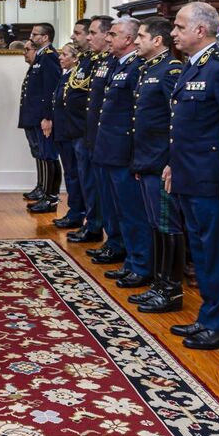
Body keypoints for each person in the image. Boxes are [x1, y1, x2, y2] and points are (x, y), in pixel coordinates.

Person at [165, 1, 219, 350]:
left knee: (217, 254)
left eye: (179, 27)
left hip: (210, 179)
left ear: (200, 30)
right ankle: (208, 317)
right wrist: (173, 163)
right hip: (188, 175)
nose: (173, 33)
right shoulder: (193, 66)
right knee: (201, 252)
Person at [127, 17, 186, 313]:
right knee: (156, 225)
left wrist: (170, 161)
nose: (136, 41)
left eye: (141, 36)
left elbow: (177, 119)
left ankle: (171, 290)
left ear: (157, 40)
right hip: (147, 160)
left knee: (167, 225)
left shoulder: (171, 70)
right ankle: (159, 284)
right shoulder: (148, 68)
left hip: (161, 162)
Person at [93, 17, 151, 288]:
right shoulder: (117, 64)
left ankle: (141, 264)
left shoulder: (137, 67)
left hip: (124, 152)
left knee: (133, 213)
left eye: (113, 34)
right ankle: (130, 260)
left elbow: (137, 115)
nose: (108, 38)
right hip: (109, 149)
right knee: (119, 211)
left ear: (128, 39)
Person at [79, 16, 125, 256]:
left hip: (112, 143)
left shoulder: (122, 64)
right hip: (96, 138)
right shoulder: (102, 62)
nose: (89, 37)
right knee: (102, 194)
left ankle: (118, 245)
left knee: (117, 201)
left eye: (93, 32)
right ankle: (111, 240)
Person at [60, 20, 99, 234]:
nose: (73, 37)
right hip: (73, 129)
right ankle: (82, 217)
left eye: (78, 33)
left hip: (85, 130)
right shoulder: (85, 61)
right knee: (78, 177)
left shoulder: (95, 62)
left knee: (89, 182)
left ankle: (92, 225)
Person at [19, 23, 60, 212]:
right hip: (34, 116)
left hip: (42, 117)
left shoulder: (49, 57)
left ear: (45, 37)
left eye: (35, 34)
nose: (31, 37)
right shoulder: (41, 57)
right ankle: (42, 189)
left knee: (48, 155)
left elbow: (50, 90)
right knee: (40, 154)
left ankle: (49, 196)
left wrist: (47, 116)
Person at [49, 42, 85, 228]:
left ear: (75, 58)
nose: (60, 57)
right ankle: (74, 211)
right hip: (62, 132)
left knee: (74, 175)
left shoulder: (76, 77)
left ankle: (77, 213)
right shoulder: (65, 75)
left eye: (65, 54)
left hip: (71, 132)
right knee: (70, 174)